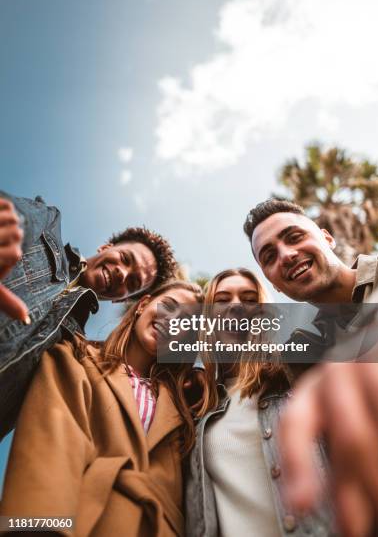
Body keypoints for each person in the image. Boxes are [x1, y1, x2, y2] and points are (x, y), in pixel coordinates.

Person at [244, 198, 378, 536]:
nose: (286, 255)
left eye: (293, 236)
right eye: (269, 257)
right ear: (273, 283)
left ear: (327, 237)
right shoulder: (302, 361)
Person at [0, 279, 205, 537]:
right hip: (86, 520)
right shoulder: (75, 356)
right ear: (142, 305)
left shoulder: (188, 404)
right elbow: (52, 443)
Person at [0, 190, 177, 439]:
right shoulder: (46, 227)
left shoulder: (75, 351)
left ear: (122, 299)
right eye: (125, 259)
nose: (122, 274)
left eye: (133, 281)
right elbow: (16, 216)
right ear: (106, 247)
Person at [185, 268, 335, 537]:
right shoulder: (197, 406)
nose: (235, 306)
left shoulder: (295, 377)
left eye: (249, 298)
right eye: (222, 299)